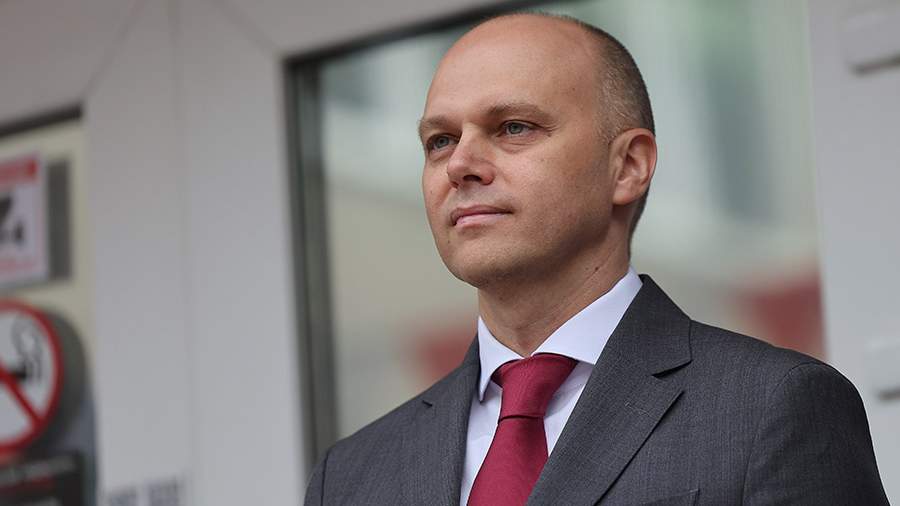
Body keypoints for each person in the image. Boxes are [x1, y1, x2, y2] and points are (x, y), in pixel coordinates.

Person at [304, 12, 888, 506]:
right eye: (440, 141)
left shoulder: (772, 407)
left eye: (513, 127)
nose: (460, 164)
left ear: (628, 165)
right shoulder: (351, 477)